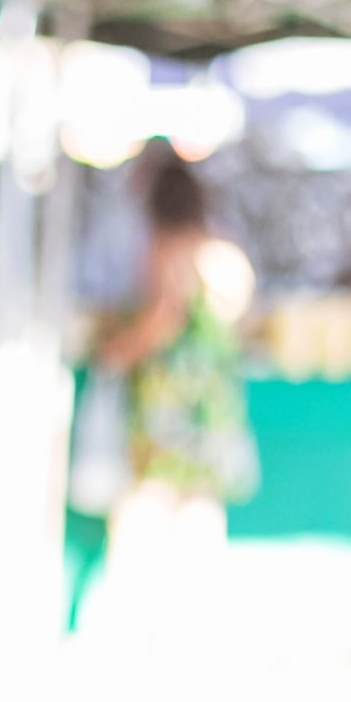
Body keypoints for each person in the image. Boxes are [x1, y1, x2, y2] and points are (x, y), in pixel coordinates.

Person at [89, 149, 255, 641]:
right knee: (201, 512)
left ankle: (129, 627)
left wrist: (117, 351)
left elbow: (160, 322)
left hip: (167, 407)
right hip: (214, 405)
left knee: (145, 510)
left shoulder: (165, 252)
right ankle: (196, 629)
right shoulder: (228, 257)